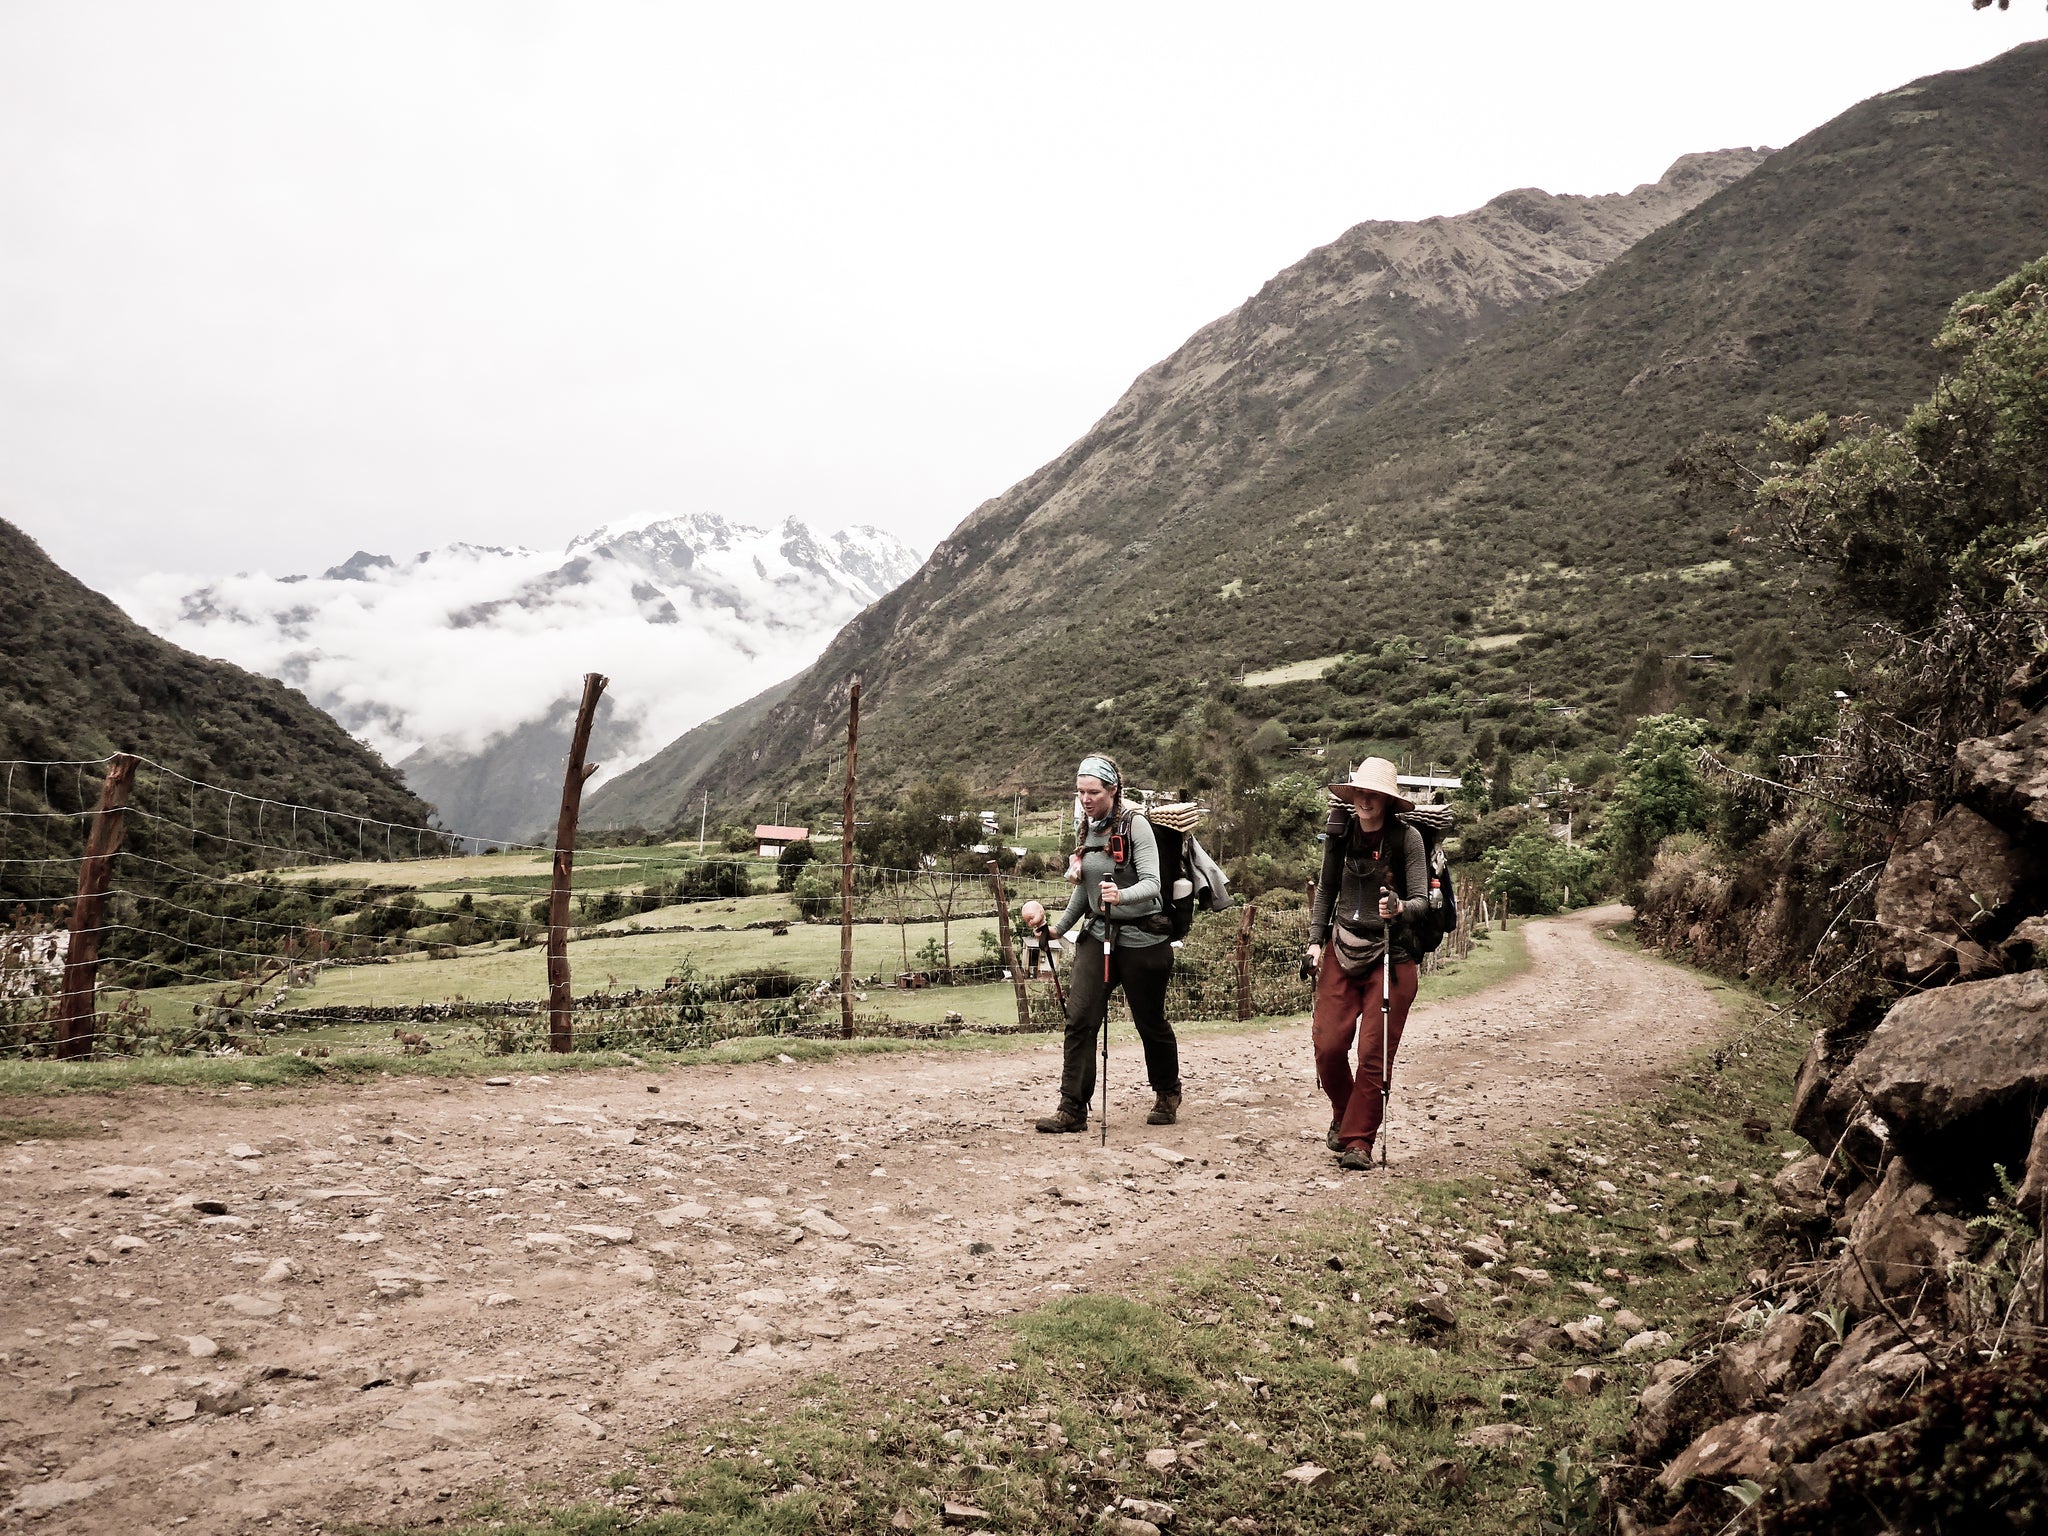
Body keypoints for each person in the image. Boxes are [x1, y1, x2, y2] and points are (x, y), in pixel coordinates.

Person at [1029, 753, 1182, 1133]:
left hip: (1143, 939)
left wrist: (1121, 895)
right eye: (1080, 792)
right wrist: (1057, 929)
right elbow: (1085, 889)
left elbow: (1152, 884)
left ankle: (1167, 1092)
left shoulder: (1136, 825)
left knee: (1149, 1021)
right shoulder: (1086, 827)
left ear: (1113, 789)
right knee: (1080, 1019)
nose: (1085, 799)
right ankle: (1072, 1109)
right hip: (1098, 936)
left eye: (1093, 792)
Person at [1306, 758, 1428, 1171]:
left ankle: (1359, 1141)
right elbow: (1326, 888)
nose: (1365, 800)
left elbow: (1422, 902)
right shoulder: (1339, 834)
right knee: (1327, 1046)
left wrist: (1398, 908)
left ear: (1388, 800)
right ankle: (1344, 1112)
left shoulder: (1407, 838)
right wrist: (1313, 941)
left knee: (1373, 1052)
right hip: (1341, 947)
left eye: (1373, 794)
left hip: (1393, 956)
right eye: (1360, 792)